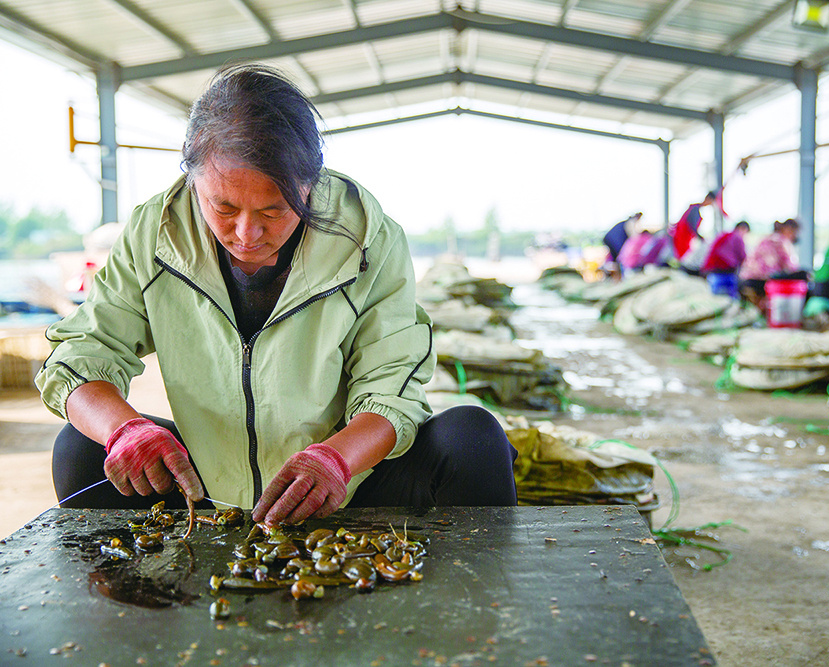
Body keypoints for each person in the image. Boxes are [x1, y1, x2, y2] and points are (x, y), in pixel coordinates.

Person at [35, 64, 518, 526]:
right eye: (222, 207)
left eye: (274, 209)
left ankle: (465, 611)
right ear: (192, 179)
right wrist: (126, 431)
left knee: (473, 439)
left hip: (351, 486)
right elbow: (83, 354)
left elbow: (392, 384)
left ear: (310, 185)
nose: (247, 233)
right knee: (79, 448)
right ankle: (139, 610)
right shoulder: (156, 232)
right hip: (206, 492)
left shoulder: (367, 238)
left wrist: (335, 460)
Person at [738, 218, 803, 308]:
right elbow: (791, 268)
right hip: (761, 283)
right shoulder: (782, 241)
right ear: (789, 229)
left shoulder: (766, 238)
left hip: (744, 281)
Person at [671, 192, 717, 261]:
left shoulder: (694, 208)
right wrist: (700, 237)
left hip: (685, 238)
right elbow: (692, 225)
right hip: (682, 238)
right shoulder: (695, 209)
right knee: (682, 258)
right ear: (708, 199)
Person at [602, 212, 642, 278]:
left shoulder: (625, 223)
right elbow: (634, 237)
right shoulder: (631, 222)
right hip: (614, 240)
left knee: (617, 259)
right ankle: (621, 276)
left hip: (609, 239)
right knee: (621, 258)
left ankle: (618, 277)